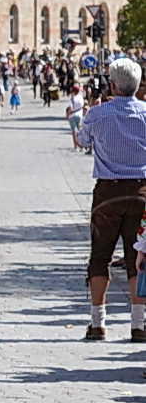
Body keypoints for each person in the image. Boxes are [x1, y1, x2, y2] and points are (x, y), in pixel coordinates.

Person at [74, 57, 146, 342]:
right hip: (141, 191)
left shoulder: (99, 113)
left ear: (113, 86)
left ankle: (98, 323)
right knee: (138, 257)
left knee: (100, 256)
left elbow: (82, 141)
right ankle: (139, 324)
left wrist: (89, 112)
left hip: (108, 191)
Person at [66, 82, 87, 151]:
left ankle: (76, 147)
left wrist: (67, 115)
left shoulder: (72, 99)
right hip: (80, 115)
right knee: (80, 131)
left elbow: (71, 108)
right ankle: (82, 147)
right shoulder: (81, 97)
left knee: (74, 132)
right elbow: (82, 105)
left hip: (72, 116)